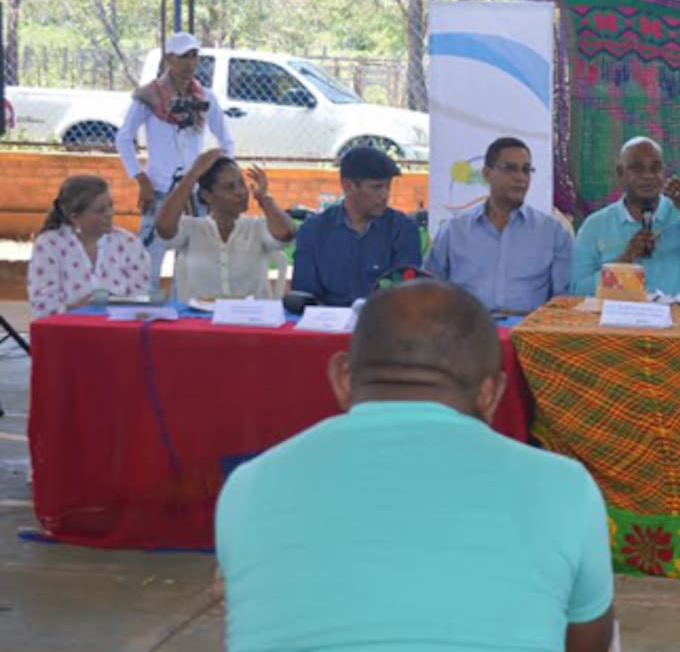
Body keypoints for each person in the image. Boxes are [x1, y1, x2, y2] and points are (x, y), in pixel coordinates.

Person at [216, 281, 614, 651]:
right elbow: (589, 643)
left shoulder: (248, 487)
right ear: (491, 393)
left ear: (343, 378)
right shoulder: (565, 488)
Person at [115, 31, 234, 293]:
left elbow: (226, 141)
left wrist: (217, 182)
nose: (189, 63)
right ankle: (146, 313)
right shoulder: (148, 97)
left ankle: (182, 312)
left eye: (193, 56)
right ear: (169, 58)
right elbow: (123, 138)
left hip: (194, 194)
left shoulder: (205, 98)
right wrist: (141, 178)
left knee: (189, 267)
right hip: (158, 190)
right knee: (149, 263)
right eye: (183, 57)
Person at [424, 137, 572, 313]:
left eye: (526, 170)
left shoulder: (552, 232)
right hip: (466, 326)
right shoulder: (454, 231)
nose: (520, 178)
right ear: (487, 174)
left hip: (529, 327)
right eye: (510, 168)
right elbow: (430, 290)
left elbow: (563, 299)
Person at [570, 136, 680, 296]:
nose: (647, 176)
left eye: (655, 168)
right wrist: (625, 260)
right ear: (620, 172)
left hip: (677, 311)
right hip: (621, 312)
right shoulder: (595, 226)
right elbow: (578, 291)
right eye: (637, 168)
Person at [155, 149, 294, 302]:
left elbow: (286, 233)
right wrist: (192, 175)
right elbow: (163, 227)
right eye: (229, 187)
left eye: (241, 184)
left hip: (252, 315)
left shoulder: (257, 227)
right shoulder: (192, 229)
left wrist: (264, 197)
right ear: (207, 196)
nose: (240, 192)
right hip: (203, 315)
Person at [292, 146, 422, 306]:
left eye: (388, 187)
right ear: (348, 186)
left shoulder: (403, 229)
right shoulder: (313, 230)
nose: (385, 195)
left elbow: (405, 292)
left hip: (383, 316)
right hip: (327, 317)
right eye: (376, 187)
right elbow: (304, 292)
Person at [27, 175, 150, 319]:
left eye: (110, 205)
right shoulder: (49, 245)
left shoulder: (129, 243)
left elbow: (141, 299)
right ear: (75, 218)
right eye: (100, 210)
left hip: (120, 329)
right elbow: (42, 307)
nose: (110, 213)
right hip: (66, 330)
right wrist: (79, 309)